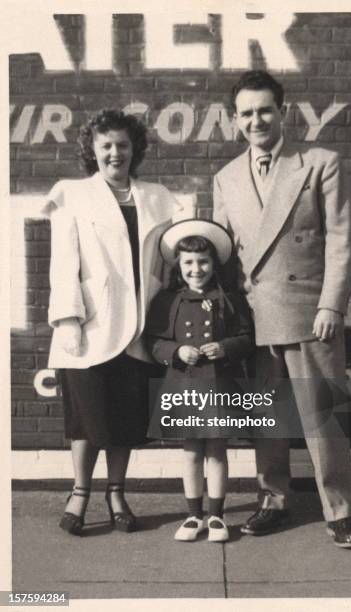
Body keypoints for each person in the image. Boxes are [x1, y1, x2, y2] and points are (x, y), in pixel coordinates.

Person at [213, 71, 351, 548]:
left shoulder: (319, 163)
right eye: (246, 113)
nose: (256, 120)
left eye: (264, 110)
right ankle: (272, 499)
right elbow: (221, 251)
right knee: (266, 419)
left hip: (308, 312)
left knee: (323, 419)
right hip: (255, 315)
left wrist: (331, 305)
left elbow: (343, 239)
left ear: (283, 111)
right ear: (234, 121)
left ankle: (339, 511)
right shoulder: (226, 177)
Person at [42, 109, 179, 535]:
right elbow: (63, 263)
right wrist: (68, 320)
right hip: (91, 326)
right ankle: (80, 492)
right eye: (106, 146)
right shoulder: (72, 194)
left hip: (141, 326)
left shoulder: (157, 197)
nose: (115, 153)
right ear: (92, 151)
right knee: (86, 416)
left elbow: (171, 262)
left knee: (126, 418)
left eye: (122, 144)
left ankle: (116, 492)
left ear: (134, 148)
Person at [145, 219, 253, 542]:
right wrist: (176, 351)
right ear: (179, 265)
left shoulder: (228, 298)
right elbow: (153, 342)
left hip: (219, 384)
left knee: (217, 451)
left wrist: (224, 347)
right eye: (189, 262)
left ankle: (217, 516)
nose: (196, 269)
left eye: (203, 261)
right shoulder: (168, 300)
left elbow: (247, 337)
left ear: (214, 263)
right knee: (191, 451)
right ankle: (193, 515)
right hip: (184, 384)